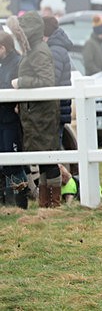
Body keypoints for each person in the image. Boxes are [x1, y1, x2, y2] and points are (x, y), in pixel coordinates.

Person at [8, 12, 62, 208]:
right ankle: (45, 203)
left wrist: (21, 82)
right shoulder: (33, 50)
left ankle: (53, 203)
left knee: (48, 160)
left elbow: (46, 80)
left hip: (42, 115)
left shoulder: (38, 51)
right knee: (42, 159)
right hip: (35, 114)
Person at [0, 32, 28, 209]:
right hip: (3, 120)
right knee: (6, 162)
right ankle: (11, 203)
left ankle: (21, 203)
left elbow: (11, 87)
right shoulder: (4, 64)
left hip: (11, 120)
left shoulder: (16, 63)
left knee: (15, 163)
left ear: (3, 48)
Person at [43, 16, 73, 147]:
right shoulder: (58, 48)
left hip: (56, 107)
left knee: (54, 145)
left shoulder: (54, 51)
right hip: (60, 106)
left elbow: (52, 79)